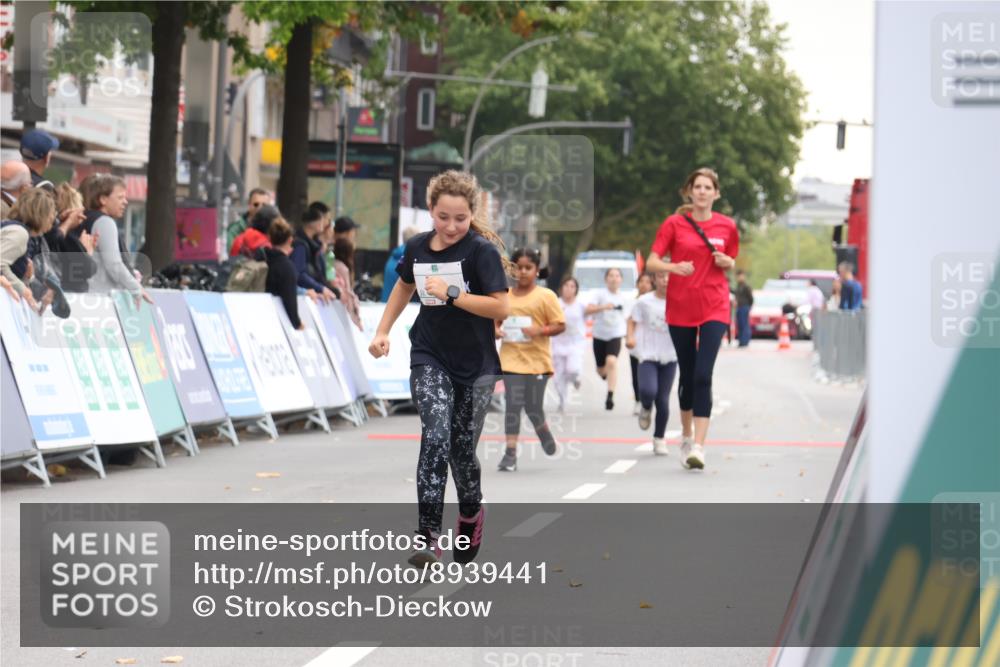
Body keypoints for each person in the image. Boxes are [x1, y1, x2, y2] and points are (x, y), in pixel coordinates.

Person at [367, 170, 510, 568]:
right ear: (431, 210)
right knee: (434, 434)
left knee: (461, 453)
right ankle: (428, 535)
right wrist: (382, 331)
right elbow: (403, 286)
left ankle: (470, 511)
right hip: (429, 355)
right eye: (443, 217)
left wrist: (453, 294)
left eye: (460, 219)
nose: (451, 226)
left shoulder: (481, 252)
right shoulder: (416, 248)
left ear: (472, 215)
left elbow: (501, 307)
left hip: (476, 366)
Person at [646, 167, 739, 471]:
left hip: (715, 305)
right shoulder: (674, 224)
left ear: (716, 193)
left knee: (703, 375)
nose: (702, 191)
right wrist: (673, 269)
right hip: (681, 306)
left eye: (707, 187)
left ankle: (699, 446)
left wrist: (728, 261)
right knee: (687, 375)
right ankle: (685, 435)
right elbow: (652, 260)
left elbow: (731, 258)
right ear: (689, 191)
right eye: (697, 187)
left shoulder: (727, 226)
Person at [495, 247, 566, 472]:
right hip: (510, 359)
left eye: (528, 268)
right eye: (518, 268)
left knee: (533, 407)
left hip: (537, 361)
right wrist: (496, 330)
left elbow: (559, 325)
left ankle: (543, 430)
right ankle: (510, 453)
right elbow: (495, 321)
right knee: (513, 406)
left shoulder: (546, 296)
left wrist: (540, 330)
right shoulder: (503, 295)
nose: (523, 272)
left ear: (537, 270)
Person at [626, 270, 678, 455]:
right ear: (655, 279)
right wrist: (630, 337)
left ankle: (659, 439)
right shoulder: (644, 301)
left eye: (669, 277)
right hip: (647, 354)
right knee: (648, 391)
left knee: (663, 401)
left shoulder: (679, 300)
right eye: (661, 276)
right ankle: (646, 407)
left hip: (670, 356)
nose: (665, 280)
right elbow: (632, 321)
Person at [81, 174, 152, 306]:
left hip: (84, 297)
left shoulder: (84, 218)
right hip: (101, 300)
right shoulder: (105, 222)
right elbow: (113, 264)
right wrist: (136, 288)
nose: (125, 202)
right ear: (103, 199)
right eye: (120, 197)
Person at [1, 188, 57, 311]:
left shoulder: (20, 233)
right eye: (52, 212)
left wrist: (27, 277)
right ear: (41, 214)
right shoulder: (19, 233)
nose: (53, 218)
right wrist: (23, 289)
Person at [585, 267, 627, 411]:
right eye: (611, 275)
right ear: (606, 279)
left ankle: (610, 395)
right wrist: (603, 307)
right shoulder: (599, 294)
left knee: (612, 361)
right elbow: (588, 309)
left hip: (615, 334)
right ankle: (605, 375)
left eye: (617, 276)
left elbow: (629, 318)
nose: (614, 278)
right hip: (599, 335)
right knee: (601, 370)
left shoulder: (624, 298)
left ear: (621, 280)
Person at [551, 277, 586, 413]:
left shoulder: (581, 305)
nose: (569, 289)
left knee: (572, 369)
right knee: (558, 377)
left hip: (575, 343)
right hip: (558, 343)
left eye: (572, 286)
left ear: (576, 289)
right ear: (561, 287)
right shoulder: (555, 303)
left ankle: (575, 378)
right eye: (566, 285)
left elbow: (591, 313)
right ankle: (562, 401)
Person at [263, 217, 305, 330]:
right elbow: (290, 301)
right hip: (276, 325)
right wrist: (297, 324)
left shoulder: (263, 258)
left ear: (269, 238)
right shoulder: (287, 267)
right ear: (290, 240)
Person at [290, 207, 337, 303]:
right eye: (323, 220)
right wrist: (320, 288)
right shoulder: (300, 245)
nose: (325, 224)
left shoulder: (316, 247)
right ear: (315, 222)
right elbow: (299, 273)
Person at [629, 273, 654, 415]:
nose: (644, 284)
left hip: (652, 345)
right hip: (636, 344)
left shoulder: (656, 301)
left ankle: (649, 400)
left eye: (648, 282)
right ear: (637, 284)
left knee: (650, 376)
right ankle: (638, 401)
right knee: (636, 374)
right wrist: (630, 337)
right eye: (641, 281)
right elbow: (628, 321)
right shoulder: (632, 302)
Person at [382, 226, 420, 302]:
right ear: (416, 240)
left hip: (386, 303)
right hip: (404, 308)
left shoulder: (393, 256)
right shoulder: (412, 259)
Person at [333, 238, 363, 330]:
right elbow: (348, 290)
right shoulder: (344, 269)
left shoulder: (332, 263)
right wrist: (354, 315)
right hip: (342, 308)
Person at [734, 270, 754, 347]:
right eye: (738, 276)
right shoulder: (738, 286)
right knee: (740, 324)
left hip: (745, 306)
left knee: (744, 324)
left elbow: (750, 297)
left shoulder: (746, 286)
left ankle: (745, 341)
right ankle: (741, 341)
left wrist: (749, 306)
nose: (739, 278)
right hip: (739, 307)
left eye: (740, 276)